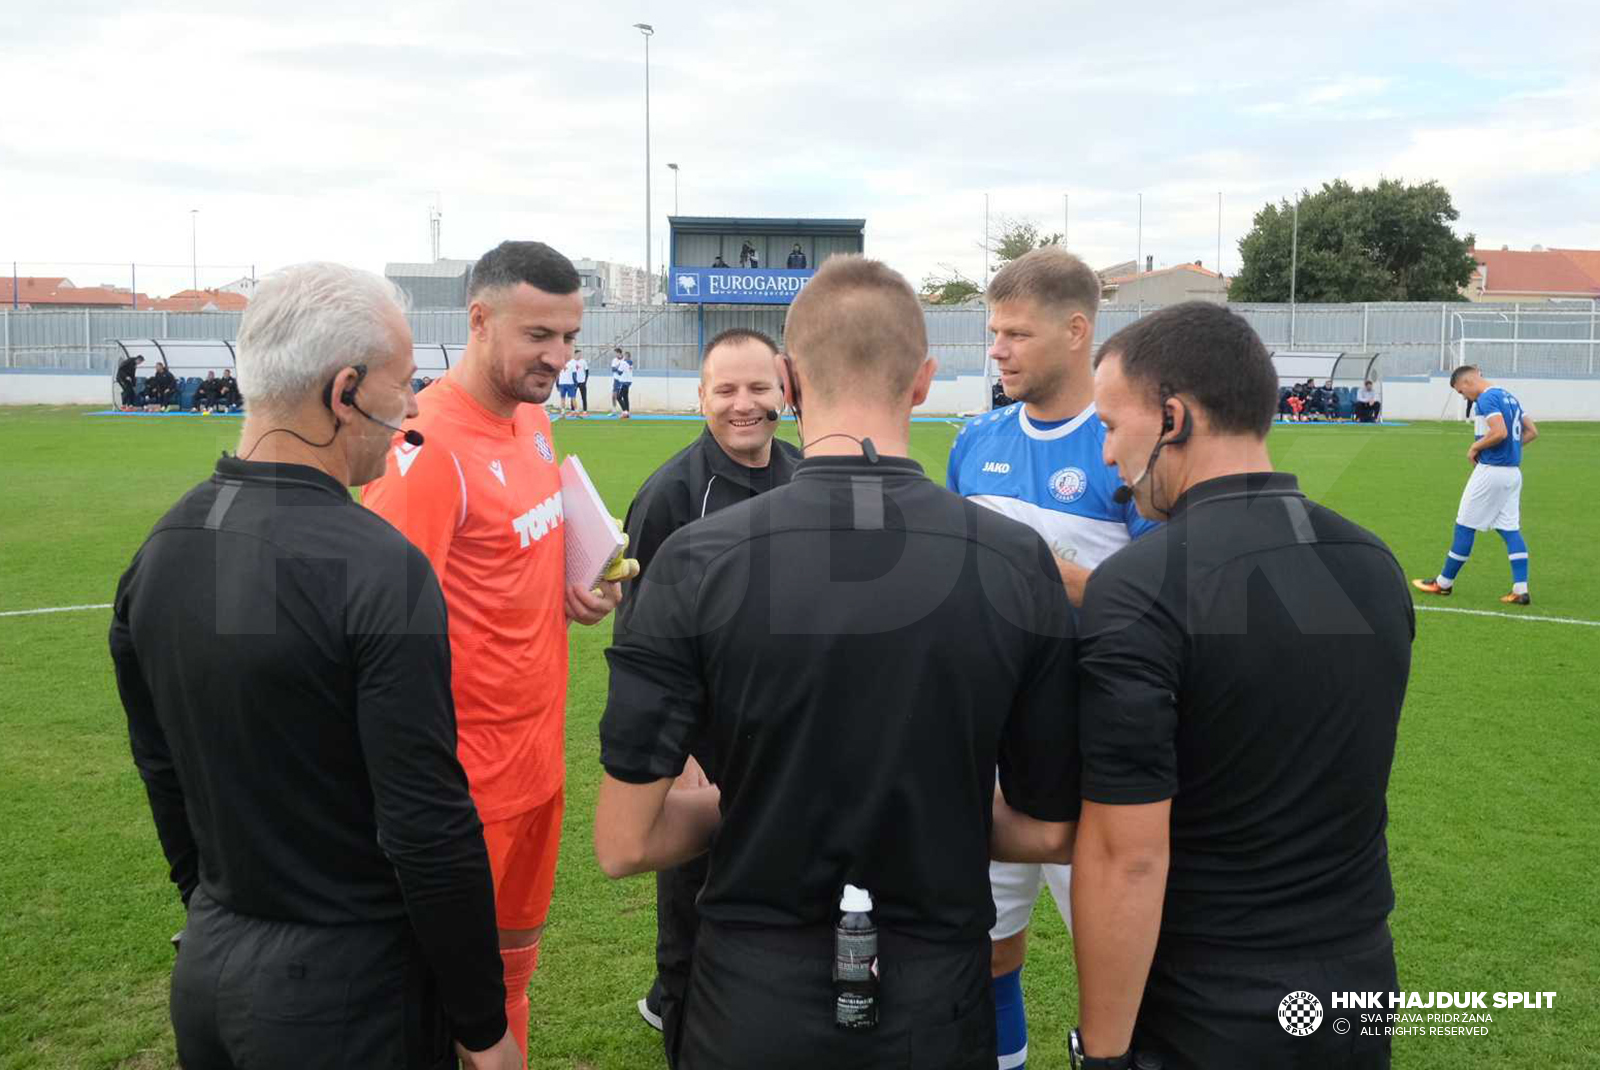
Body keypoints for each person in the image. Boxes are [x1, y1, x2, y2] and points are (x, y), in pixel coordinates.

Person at [595, 255, 1080, 1070]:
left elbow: (624, 840)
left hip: (751, 1001)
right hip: (936, 999)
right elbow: (1044, 825)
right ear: (924, 382)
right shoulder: (1015, 562)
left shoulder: (694, 561)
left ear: (786, 380)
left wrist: (748, 801)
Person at [108, 262, 521, 1070]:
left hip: (213, 973)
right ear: (344, 392)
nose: (410, 411)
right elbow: (426, 824)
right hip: (345, 998)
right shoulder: (377, 565)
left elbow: (162, 769)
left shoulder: (165, 547)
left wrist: (213, 906)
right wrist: (483, 1024)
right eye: (403, 388)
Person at [1070, 301, 1414, 1069]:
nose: (1105, 456)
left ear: (1172, 418)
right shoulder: (1373, 560)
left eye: (1109, 424)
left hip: (1213, 999)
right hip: (1359, 980)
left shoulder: (1145, 584)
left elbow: (1128, 857)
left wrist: (1102, 1054)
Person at [361, 241, 629, 1059]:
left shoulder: (535, 418)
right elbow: (375, 629)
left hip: (536, 764)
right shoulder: (423, 447)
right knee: (447, 995)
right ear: (480, 321)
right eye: (539, 334)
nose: (558, 356)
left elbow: (513, 562)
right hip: (460, 787)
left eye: (571, 338)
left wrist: (572, 590)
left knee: (512, 974)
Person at [947, 248, 1157, 1070]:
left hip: (1097, 755)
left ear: (1077, 331)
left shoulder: (1122, 448)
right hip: (990, 748)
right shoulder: (976, 440)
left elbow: (1156, 608)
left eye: (1014, 334)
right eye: (992, 332)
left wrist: (1030, 569)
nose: (996, 350)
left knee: (1124, 964)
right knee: (988, 950)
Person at [620, 327, 802, 1057]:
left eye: (759, 387)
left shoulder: (807, 475)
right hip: (703, 756)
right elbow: (640, 644)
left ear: (785, 391)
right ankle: (680, 1016)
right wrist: (677, 755)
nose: (744, 404)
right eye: (725, 389)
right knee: (693, 913)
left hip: (794, 743)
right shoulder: (669, 495)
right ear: (701, 397)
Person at [1412, 365, 1539, 606]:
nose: (1463, 396)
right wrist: (1510, 450)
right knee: (1510, 529)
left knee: (1464, 525)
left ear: (1468, 382)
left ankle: (1443, 583)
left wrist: (1475, 447)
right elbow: (1532, 431)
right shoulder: (1509, 396)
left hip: (1490, 472)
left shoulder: (1486, 398)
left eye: (1461, 391)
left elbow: (1499, 432)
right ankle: (1521, 589)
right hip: (1512, 474)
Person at [614, 348, 635, 418]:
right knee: (625, 397)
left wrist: (617, 367)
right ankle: (627, 412)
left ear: (626, 356)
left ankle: (625, 411)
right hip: (629, 381)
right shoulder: (631, 363)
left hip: (624, 382)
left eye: (624, 356)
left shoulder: (623, 363)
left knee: (618, 397)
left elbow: (619, 372)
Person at [574, 347, 590, 413]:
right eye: (579, 354)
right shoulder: (572, 362)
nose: (580, 355)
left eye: (580, 354)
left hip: (582, 382)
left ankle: (585, 410)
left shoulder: (583, 361)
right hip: (574, 382)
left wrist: (585, 381)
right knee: (573, 396)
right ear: (575, 354)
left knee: (584, 396)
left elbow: (587, 371)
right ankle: (573, 410)